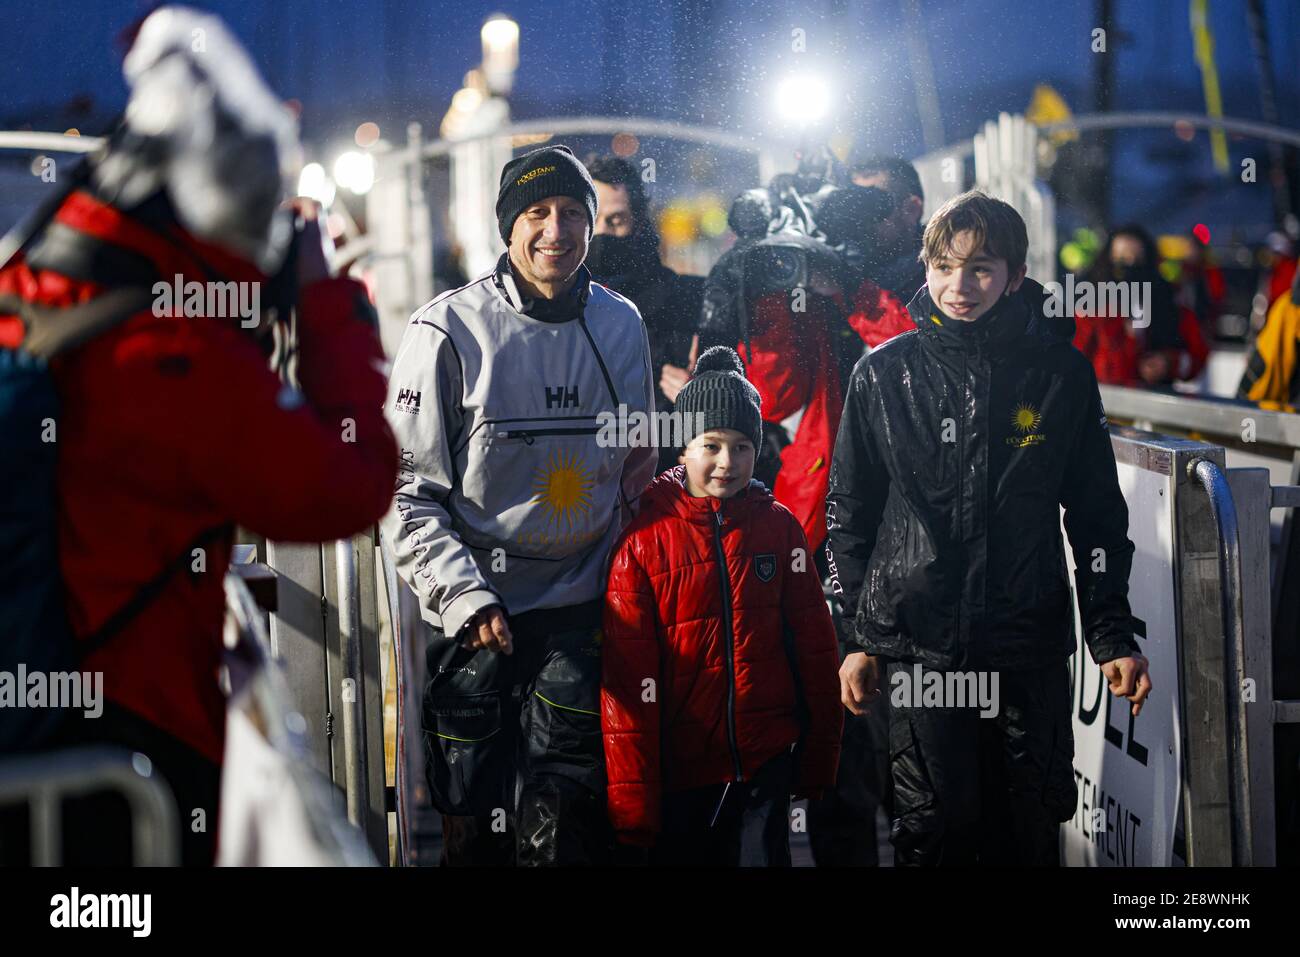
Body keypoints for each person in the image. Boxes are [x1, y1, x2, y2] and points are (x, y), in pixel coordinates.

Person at [0, 8, 397, 865]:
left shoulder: (27, 290)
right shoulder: (172, 355)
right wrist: (329, 301)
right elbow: (354, 482)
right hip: (123, 755)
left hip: (31, 741)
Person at [827, 190, 1152, 866]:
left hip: (1025, 641)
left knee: (1030, 827)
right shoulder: (882, 375)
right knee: (935, 832)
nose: (959, 285)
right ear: (925, 266)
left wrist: (1111, 632)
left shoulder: (1059, 374)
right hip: (920, 648)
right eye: (945, 265)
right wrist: (856, 637)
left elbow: (1096, 515)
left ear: (1016, 276)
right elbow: (849, 515)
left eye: (981, 267)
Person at [382, 145, 657, 866]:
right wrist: (467, 597)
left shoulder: (621, 324)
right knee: (471, 822)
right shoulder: (446, 331)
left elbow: (636, 463)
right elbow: (406, 493)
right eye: (537, 213)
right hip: (473, 610)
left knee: (564, 819)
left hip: (578, 602)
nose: (555, 232)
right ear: (509, 227)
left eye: (572, 213)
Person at [601, 346, 842, 865]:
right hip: (682, 770)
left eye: (742, 446)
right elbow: (627, 686)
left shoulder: (779, 529)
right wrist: (633, 803)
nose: (727, 463)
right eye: (710, 444)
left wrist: (819, 757)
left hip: (765, 761)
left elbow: (817, 652)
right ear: (682, 447)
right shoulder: (644, 540)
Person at [583, 155, 704, 472]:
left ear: (638, 222)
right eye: (591, 220)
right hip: (586, 480)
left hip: (667, 476)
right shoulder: (555, 305)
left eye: (616, 220)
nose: (602, 233)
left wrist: (704, 392)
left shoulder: (684, 299)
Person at [1072, 224, 1208, 389]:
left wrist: (1167, 363)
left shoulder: (1167, 302)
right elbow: (1073, 359)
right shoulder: (1091, 306)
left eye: (1137, 259)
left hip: (1152, 405)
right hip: (1104, 404)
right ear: (1108, 261)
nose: (1129, 267)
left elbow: (1196, 356)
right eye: (1121, 260)